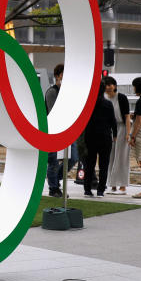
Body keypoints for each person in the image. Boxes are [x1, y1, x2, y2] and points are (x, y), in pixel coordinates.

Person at [44, 63, 76, 197]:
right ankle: (54, 188)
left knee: (73, 158)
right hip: (53, 131)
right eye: (63, 74)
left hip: (68, 130)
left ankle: (55, 180)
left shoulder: (69, 92)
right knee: (53, 160)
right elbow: (53, 112)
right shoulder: (52, 92)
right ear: (57, 76)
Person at [83, 79, 116, 197]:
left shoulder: (88, 103)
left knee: (89, 164)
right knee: (104, 165)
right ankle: (100, 190)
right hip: (105, 137)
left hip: (90, 136)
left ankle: (87, 189)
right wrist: (115, 135)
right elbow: (113, 121)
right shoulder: (108, 104)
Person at [103, 76, 130, 194]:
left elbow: (127, 116)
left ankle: (123, 186)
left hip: (122, 128)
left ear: (114, 85)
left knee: (121, 157)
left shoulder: (121, 97)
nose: (108, 87)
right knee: (110, 157)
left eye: (110, 84)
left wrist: (128, 133)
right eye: (106, 85)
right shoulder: (103, 98)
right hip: (108, 129)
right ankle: (112, 185)